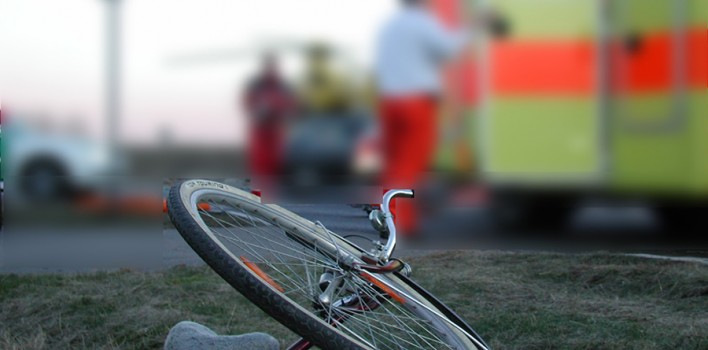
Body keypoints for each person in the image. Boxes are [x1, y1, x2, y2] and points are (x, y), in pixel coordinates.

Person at [375, 0, 472, 235]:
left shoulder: (390, 26)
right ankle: (402, 224)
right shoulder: (422, 23)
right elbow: (449, 48)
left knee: (393, 164)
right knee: (410, 165)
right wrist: (474, 27)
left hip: (390, 101)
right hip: (417, 102)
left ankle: (386, 216)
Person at [242, 53, 297, 183]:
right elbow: (248, 102)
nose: (271, 69)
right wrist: (261, 111)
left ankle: (275, 194)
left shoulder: (283, 85)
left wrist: (283, 113)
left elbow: (292, 105)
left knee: (277, 162)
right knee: (260, 164)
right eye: (269, 66)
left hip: (276, 129)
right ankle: (259, 194)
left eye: (273, 66)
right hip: (260, 129)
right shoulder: (256, 84)